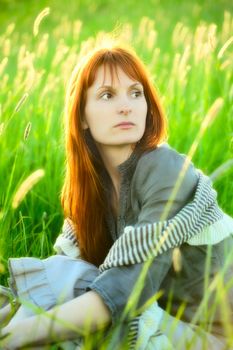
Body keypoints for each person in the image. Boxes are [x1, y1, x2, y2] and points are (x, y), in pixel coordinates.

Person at [0, 44, 233, 350]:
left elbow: (125, 290)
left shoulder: (166, 169)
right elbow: (66, 272)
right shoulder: (92, 187)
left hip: (211, 337)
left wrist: (14, 338)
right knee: (64, 277)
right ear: (81, 115)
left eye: (136, 93)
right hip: (158, 318)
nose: (126, 106)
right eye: (107, 95)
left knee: (72, 292)